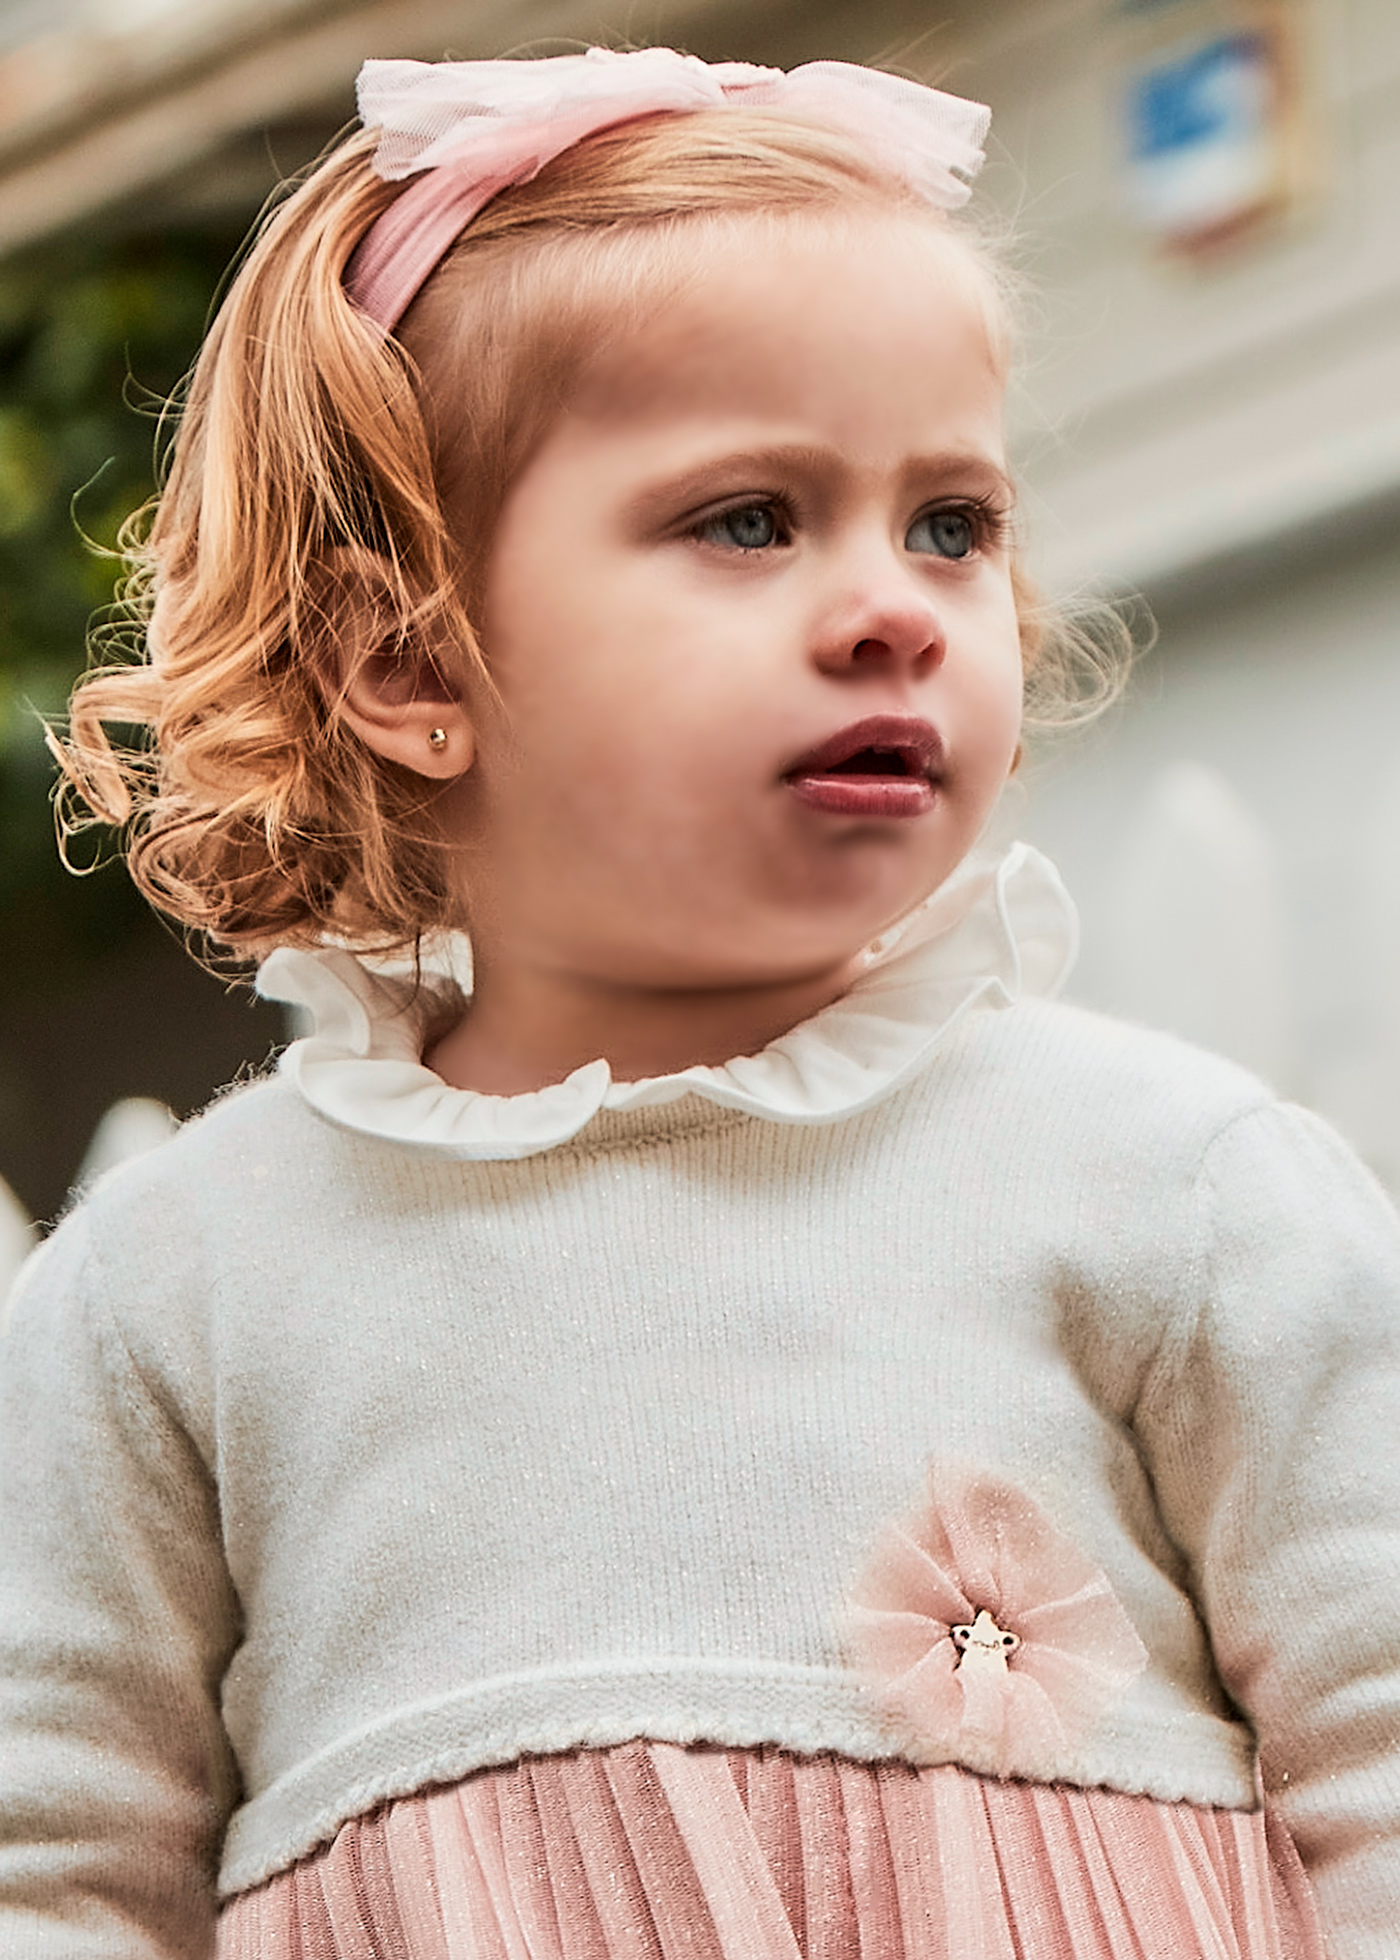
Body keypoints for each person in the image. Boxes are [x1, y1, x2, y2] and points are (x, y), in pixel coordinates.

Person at [1, 43, 1397, 1960]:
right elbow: (55, 1868)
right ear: (412, 659)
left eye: (954, 525)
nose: (896, 604)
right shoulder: (179, 1287)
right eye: (750, 519)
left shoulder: (1181, 1185)